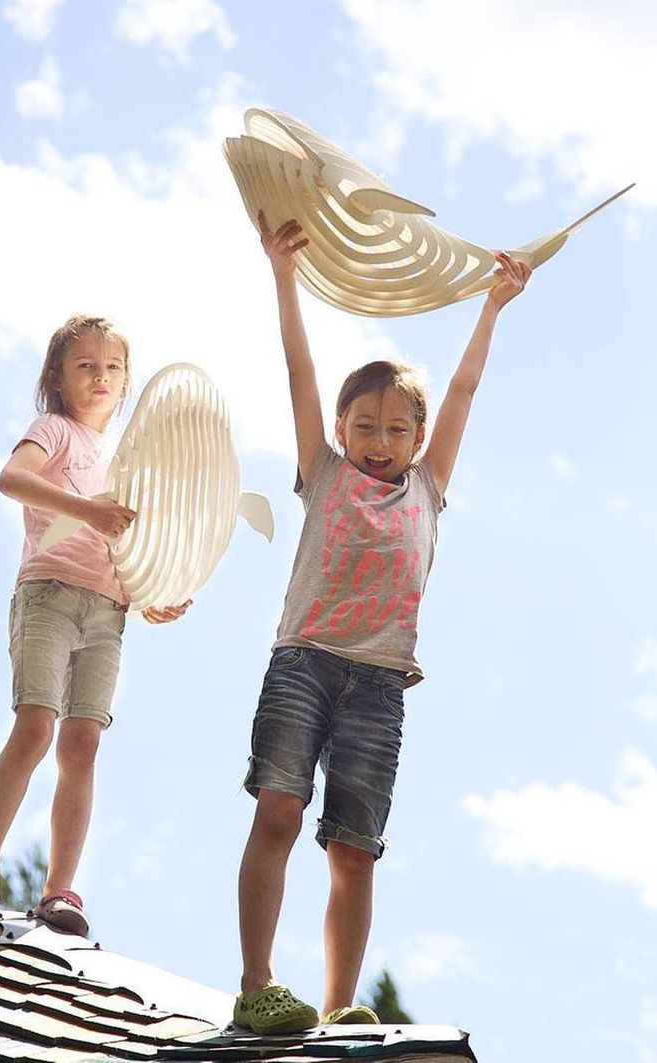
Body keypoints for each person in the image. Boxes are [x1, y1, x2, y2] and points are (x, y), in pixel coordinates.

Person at [234, 214, 531, 1033]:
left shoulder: (428, 489)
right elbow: (299, 370)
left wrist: (492, 307)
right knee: (280, 811)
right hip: (305, 661)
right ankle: (258, 980)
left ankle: (337, 1007)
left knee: (354, 846)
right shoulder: (323, 473)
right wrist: (284, 276)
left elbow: (463, 391)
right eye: (363, 425)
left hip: (381, 682)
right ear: (339, 430)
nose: (378, 439)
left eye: (396, 427)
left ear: (418, 437)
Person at [0, 315, 191, 935]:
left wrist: (149, 598)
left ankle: (59, 891)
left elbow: (129, 545)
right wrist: (86, 509)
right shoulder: (54, 430)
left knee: (82, 745)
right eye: (85, 365)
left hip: (108, 612)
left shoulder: (128, 457)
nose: (101, 376)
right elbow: (13, 480)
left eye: (113, 367)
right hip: (50, 594)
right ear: (58, 379)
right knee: (35, 726)